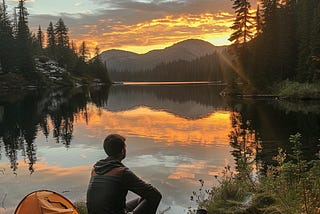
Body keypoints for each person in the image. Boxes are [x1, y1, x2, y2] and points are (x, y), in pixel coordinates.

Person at [86, 134, 162, 214]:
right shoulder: (121, 172)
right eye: (125, 147)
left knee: (142, 199)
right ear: (122, 151)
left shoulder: (95, 170)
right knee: (155, 196)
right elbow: (154, 194)